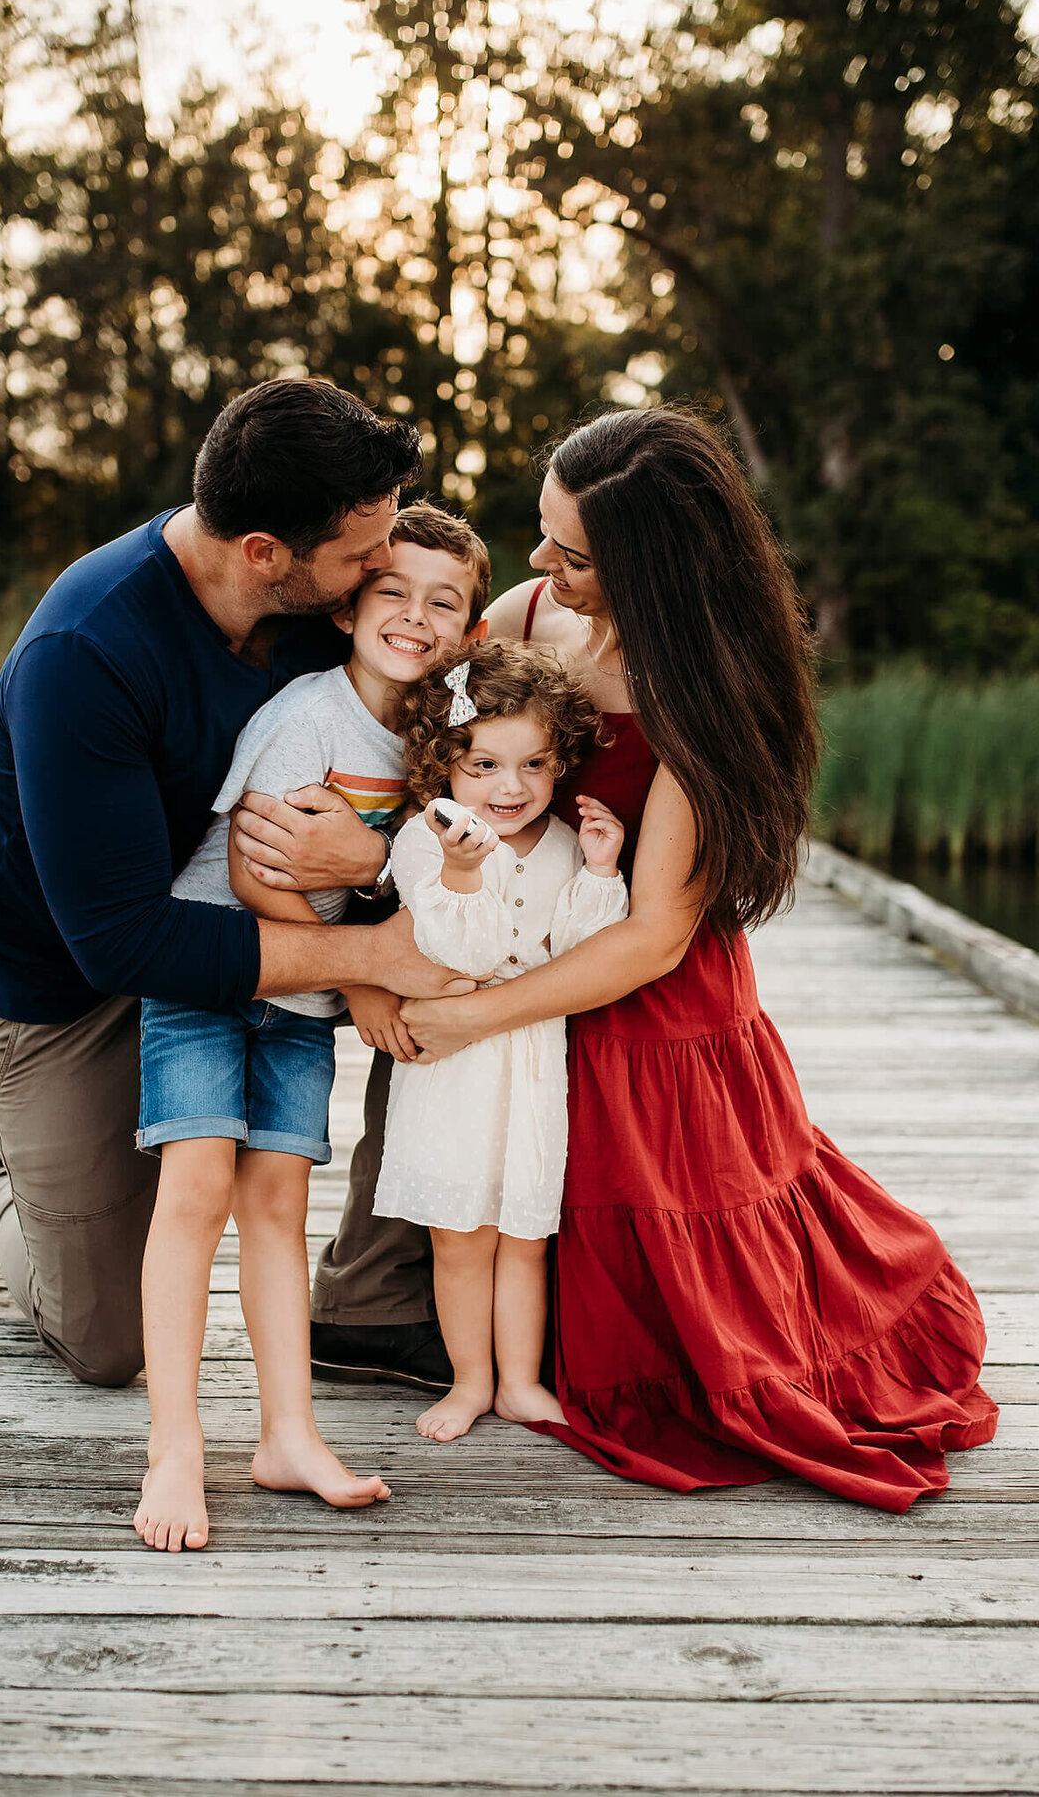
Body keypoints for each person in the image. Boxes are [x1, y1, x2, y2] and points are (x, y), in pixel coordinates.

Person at [330, 404, 1000, 1513]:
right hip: (517, 949)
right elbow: (414, 740)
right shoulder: (528, 614)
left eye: (574, 552)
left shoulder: (704, 690)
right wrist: (360, 920)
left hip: (645, 1003)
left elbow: (652, 936)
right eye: (545, 532)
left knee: (667, 1327)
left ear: (651, 569)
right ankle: (414, 1317)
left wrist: (467, 1017)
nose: (543, 562)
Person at [0, 380, 473, 1389]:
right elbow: (123, 944)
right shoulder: (84, 654)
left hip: (243, 927)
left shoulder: (329, 610)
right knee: (106, 1341)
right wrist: (371, 955)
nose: (382, 569)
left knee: (466, 983)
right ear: (264, 553)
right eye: (361, 554)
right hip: (65, 983)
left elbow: (475, 728)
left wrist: (380, 868)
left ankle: (371, 1296)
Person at [132, 503, 489, 1550]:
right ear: (347, 609)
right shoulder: (308, 716)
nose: (415, 617)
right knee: (196, 1191)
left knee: (280, 1206)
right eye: (392, 592)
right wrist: (366, 983)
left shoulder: (433, 744)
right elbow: (251, 867)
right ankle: (175, 1446)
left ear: (468, 631)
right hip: (211, 969)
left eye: (444, 603)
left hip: (297, 1005)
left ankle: (288, 1433)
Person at [370, 641, 628, 1443]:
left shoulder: (558, 839)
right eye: (482, 765)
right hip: (456, 1066)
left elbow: (586, 949)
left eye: (534, 764)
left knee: (523, 1235)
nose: (509, 788)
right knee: (459, 1239)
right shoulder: (424, 842)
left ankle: (519, 1381)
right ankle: (469, 1382)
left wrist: (597, 871)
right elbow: (466, 954)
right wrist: (460, 870)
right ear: (444, 763)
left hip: (532, 1066)